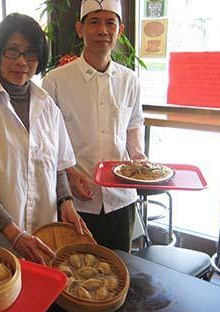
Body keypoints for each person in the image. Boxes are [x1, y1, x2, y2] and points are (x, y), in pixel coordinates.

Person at [0, 13, 90, 265]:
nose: (22, 62)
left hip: (43, 239)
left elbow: (57, 167)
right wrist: (14, 234)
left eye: (30, 53)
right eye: (12, 52)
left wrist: (66, 202)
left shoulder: (47, 106)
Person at [42, 0, 146, 253]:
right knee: (77, 273)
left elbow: (133, 126)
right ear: (80, 29)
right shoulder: (55, 81)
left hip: (121, 199)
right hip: (77, 202)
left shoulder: (130, 80)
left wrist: (138, 156)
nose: (102, 30)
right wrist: (68, 175)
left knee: (121, 269)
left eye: (110, 23)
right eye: (94, 22)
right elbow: (46, 141)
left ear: (119, 30)